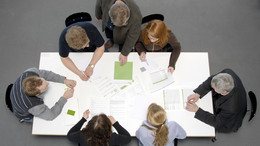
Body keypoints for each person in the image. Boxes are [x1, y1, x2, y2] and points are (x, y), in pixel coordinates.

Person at [186, 68, 247, 133]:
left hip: (229, 120)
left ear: (224, 91)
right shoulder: (227, 73)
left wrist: (197, 110)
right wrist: (198, 94)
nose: (212, 87)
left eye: (214, 88)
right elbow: (211, 80)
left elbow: (217, 122)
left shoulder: (231, 107)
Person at [10, 68, 76, 122]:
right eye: (45, 87)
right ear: (37, 94)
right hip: (22, 113)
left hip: (14, 94)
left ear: (35, 77)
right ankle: (24, 119)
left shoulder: (30, 72)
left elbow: (46, 74)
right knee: (39, 122)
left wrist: (64, 80)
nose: (48, 83)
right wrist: (64, 98)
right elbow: (51, 116)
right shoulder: (34, 106)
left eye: (44, 80)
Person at [95, 0, 142, 66]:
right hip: (109, 24)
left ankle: (121, 44)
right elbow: (99, 3)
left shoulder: (136, 16)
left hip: (123, 33)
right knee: (109, 33)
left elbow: (133, 36)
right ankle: (112, 40)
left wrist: (124, 53)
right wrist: (98, 15)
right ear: (109, 13)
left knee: (123, 40)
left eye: (124, 24)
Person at [67, 109, 132, 145]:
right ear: (108, 127)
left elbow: (70, 135)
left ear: (89, 125)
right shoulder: (112, 138)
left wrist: (83, 119)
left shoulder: (82, 135)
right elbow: (128, 138)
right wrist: (115, 123)